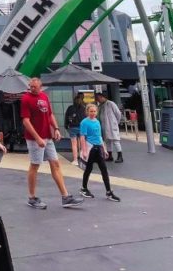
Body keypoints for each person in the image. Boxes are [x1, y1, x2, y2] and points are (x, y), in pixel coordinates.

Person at [21, 77, 84, 209]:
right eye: (30, 86)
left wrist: (56, 129)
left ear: (40, 86)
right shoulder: (26, 98)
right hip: (34, 139)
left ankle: (65, 196)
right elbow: (26, 121)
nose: (32, 88)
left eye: (34, 87)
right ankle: (32, 197)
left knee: (55, 163)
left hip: (47, 136)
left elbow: (50, 115)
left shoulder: (44, 96)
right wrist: (37, 138)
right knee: (35, 165)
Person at [79, 104, 121, 201]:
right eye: (91, 111)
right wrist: (84, 151)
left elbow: (99, 137)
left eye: (94, 111)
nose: (93, 113)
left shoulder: (97, 122)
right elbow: (82, 137)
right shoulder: (84, 122)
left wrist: (104, 149)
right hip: (90, 148)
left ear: (97, 112)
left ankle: (109, 192)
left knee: (104, 170)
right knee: (88, 169)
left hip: (98, 148)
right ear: (87, 112)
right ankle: (84, 188)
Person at [96, 92, 124, 164]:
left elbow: (118, 114)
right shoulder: (100, 106)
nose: (98, 100)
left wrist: (116, 122)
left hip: (112, 125)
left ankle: (120, 156)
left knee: (115, 140)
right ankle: (109, 155)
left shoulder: (111, 103)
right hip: (104, 126)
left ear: (103, 97)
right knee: (107, 141)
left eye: (98, 98)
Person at [64, 94, 85, 168]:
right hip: (82, 128)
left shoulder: (70, 108)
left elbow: (66, 117)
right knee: (82, 143)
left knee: (74, 144)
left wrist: (66, 126)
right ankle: (82, 157)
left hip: (72, 127)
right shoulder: (84, 108)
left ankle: (75, 160)